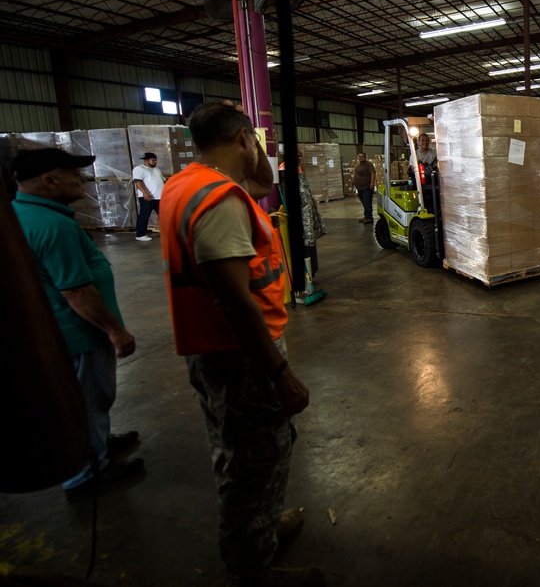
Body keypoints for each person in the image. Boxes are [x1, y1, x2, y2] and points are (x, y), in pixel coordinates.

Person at [159, 103, 324, 587]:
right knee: (254, 459)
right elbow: (233, 302)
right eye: (255, 141)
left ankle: (262, 528)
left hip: (214, 351)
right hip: (241, 357)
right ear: (242, 139)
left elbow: (265, 183)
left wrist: (255, 156)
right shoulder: (220, 201)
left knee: (241, 450)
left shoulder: (184, 184)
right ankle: (252, 567)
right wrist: (279, 372)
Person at [9, 147, 143, 494]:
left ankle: (97, 442)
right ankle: (87, 473)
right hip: (80, 334)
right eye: (74, 174)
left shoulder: (19, 214)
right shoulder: (53, 225)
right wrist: (116, 331)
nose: (82, 180)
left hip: (59, 334)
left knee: (87, 401)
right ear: (49, 180)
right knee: (88, 400)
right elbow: (77, 292)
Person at [278, 148, 327, 277]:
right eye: (298, 156)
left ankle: (311, 272)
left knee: (308, 241)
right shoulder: (284, 170)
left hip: (306, 214)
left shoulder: (298, 169)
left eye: (301, 156)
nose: (300, 159)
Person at [132, 151, 165, 242]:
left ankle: (167, 232)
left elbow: (163, 181)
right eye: (153, 160)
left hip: (159, 197)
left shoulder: (156, 169)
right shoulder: (139, 169)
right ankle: (140, 235)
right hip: (147, 197)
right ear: (146, 160)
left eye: (156, 160)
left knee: (165, 215)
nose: (155, 162)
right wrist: (145, 193)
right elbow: (138, 182)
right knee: (144, 215)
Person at [353, 151, 376, 224]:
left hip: (366, 187)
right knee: (364, 202)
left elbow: (373, 173)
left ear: (365, 157)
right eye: (359, 157)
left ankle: (369, 217)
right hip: (359, 187)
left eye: (362, 157)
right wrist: (353, 181)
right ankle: (366, 216)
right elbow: (356, 174)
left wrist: (372, 183)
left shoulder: (368, 165)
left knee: (367, 202)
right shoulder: (358, 166)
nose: (361, 158)